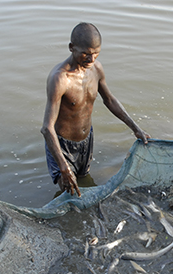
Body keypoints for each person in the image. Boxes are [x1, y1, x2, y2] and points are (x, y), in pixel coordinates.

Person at [41, 22, 150, 197]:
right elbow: (47, 128)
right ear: (71, 48)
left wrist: (136, 128)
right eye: (85, 53)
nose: (91, 59)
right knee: (68, 191)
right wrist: (63, 166)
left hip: (86, 140)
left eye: (96, 53)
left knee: (83, 181)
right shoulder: (60, 79)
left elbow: (110, 100)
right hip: (62, 145)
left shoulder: (96, 68)